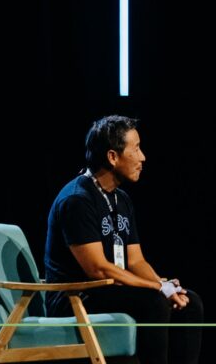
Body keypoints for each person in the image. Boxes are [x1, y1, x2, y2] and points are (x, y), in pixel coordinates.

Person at [44, 115, 203, 364]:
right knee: (154, 302)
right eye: (136, 149)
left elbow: (136, 261)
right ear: (112, 157)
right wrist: (156, 288)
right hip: (76, 297)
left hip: (110, 291)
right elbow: (98, 269)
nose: (143, 157)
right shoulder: (77, 200)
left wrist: (166, 287)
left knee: (188, 302)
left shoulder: (122, 199)